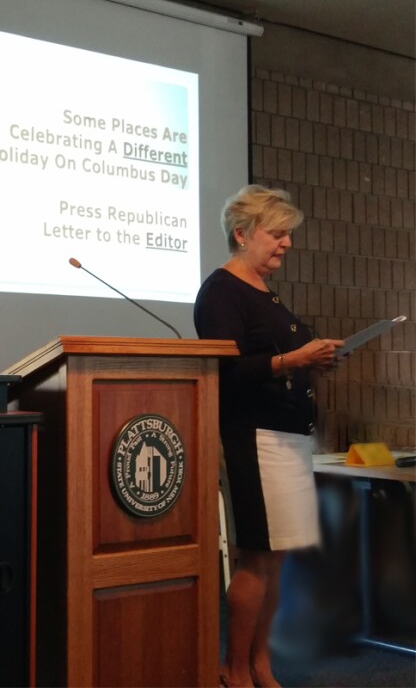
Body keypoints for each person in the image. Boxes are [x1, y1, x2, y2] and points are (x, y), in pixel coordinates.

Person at [194, 185, 344, 688]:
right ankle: (234, 668)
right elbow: (229, 371)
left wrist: (318, 359)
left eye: (288, 235)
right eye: (276, 233)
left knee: (277, 557)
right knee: (256, 556)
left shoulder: (267, 295)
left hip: (289, 436)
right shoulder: (221, 291)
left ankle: (261, 663)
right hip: (252, 438)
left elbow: (283, 359)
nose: (286, 244)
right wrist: (295, 359)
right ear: (242, 233)